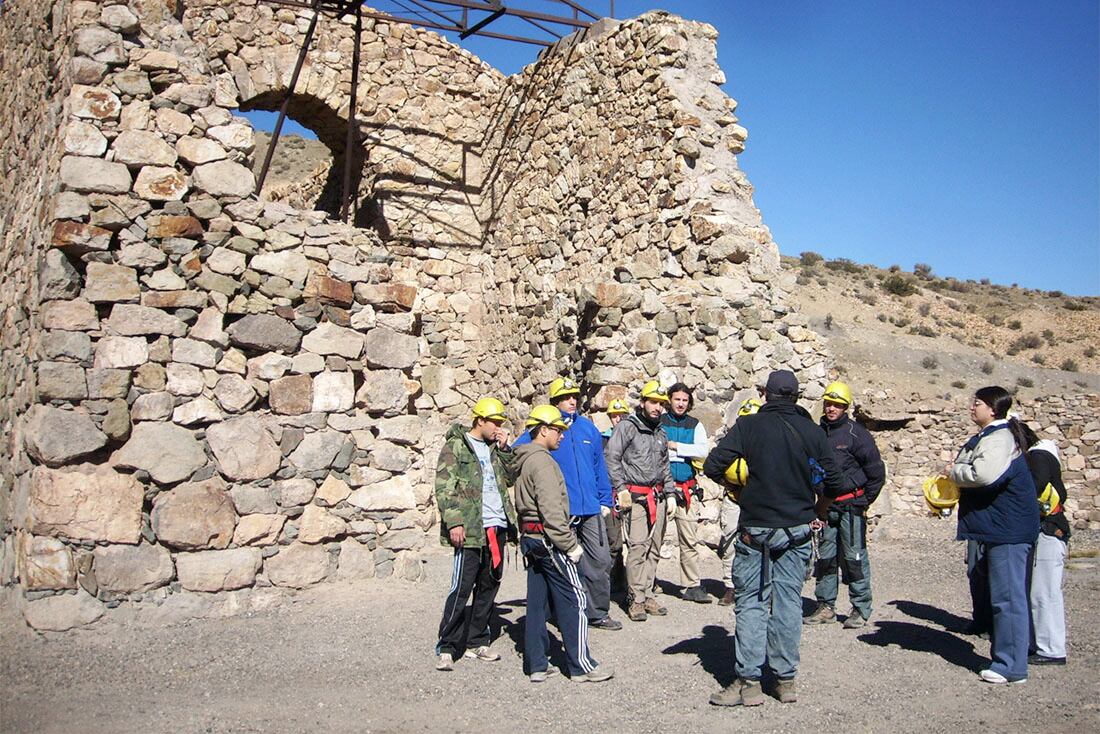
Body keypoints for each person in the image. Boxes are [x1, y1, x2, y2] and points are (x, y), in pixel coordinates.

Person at [703, 370, 843, 707]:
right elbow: (835, 482)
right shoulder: (812, 431)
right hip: (797, 529)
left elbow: (712, 465)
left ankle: (749, 684)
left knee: (751, 602)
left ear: (765, 394)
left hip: (756, 529)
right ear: (795, 397)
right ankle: (785, 682)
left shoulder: (748, 426)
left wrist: (738, 489)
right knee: (789, 602)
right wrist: (819, 509)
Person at [515, 404, 614, 683]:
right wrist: (571, 546)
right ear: (543, 430)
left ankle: (536, 664)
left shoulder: (524, 458)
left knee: (536, 604)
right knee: (575, 598)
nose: (561, 435)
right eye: (557, 430)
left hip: (531, 539)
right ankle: (581, 665)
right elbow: (551, 511)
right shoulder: (544, 463)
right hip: (550, 541)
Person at [947, 386, 1039, 685]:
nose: (972, 408)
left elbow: (983, 474)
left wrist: (954, 472)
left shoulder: (999, 439)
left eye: (978, 404)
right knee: (1004, 596)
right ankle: (1007, 658)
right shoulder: (991, 437)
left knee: (1008, 598)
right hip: (1000, 528)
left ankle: (1011, 666)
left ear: (993, 409)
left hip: (1008, 530)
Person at [514, 377, 621, 631]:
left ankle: (597, 613)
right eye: (565, 397)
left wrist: (605, 499)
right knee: (563, 564)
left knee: (600, 560)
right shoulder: (546, 429)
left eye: (574, 396)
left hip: (592, 508)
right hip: (562, 511)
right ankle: (565, 613)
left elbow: (599, 466)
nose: (572, 401)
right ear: (554, 402)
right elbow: (518, 453)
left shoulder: (588, 429)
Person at [434, 397, 517, 671]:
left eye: (501, 423)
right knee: (461, 587)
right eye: (494, 422)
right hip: (470, 528)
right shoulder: (456, 446)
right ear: (479, 420)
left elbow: (510, 477)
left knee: (489, 584)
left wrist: (505, 449)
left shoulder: (495, 448)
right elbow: (444, 486)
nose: (498, 427)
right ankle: (447, 645)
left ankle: (477, 641)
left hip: (497, 525)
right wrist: (454, 521)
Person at [804, 381, 886, 629]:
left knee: (855, 558)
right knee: (825, 558)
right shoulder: (816, 433)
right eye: (828, 403)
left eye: (837, 405)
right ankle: (826, 606)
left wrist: (863, 501)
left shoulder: (856, 434)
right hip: (826, 508)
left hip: (851, 507)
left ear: (845, 407)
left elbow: (876, 473)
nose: (831, 409)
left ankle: (860, 608)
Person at [605, 380, 676, 622]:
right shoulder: (627, 427)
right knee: (637, 547)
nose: (657, 407)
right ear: (643, 402)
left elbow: (665, 466)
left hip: (658, 496)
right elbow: (612, 457)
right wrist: (621, 488)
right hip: (635, 497)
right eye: (653, 402)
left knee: (654, 548)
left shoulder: (661, 432)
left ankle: (646, 593)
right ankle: (635, 598)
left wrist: (671, 493)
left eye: (661, 404)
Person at [1020, 423, 1070, 666]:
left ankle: (1051, 648)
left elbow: (1034, 487)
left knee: (1045, 591)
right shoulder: (1038, 456)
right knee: (1035, 589)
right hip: (1042, 530)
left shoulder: (1038, 457)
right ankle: (1038, 643)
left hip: (1048, 529)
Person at [661, 382, 712, 604]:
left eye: (684, 400)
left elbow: (702, 450)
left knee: (689, 539)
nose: (681, 403)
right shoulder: (660, 422)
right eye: (677, 399)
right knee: (653, 538)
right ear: (669, 400)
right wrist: (679, 450)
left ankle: (691, 585)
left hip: (686, 488)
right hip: (661, 488)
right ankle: (646, 583)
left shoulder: (695, 425)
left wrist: (676, 447)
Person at [717, 397, 761, 606]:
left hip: (758, 502)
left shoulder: (768, 447)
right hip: (734, 498)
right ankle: (730, 586)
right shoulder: (731, 443)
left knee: (760, 544)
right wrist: (729, 484)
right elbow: (713, 465)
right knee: (729, 543)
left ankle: (757, 586)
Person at [602, 398, 631, 595]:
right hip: (612, 495)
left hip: (630, 492)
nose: (617, 419)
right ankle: (611, 581)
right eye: (613, 416)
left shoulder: (632, 437)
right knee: (613, 540)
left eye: (621, 415)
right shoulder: (603, 439)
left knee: (636, 541)